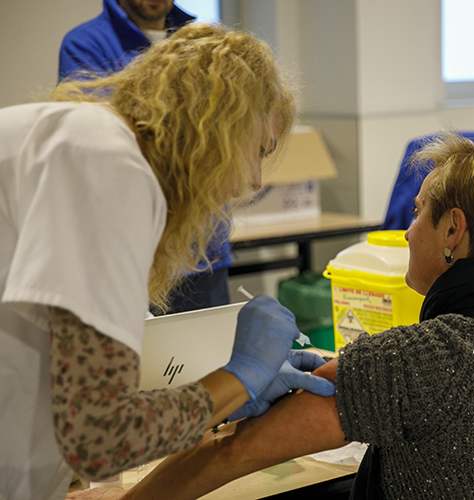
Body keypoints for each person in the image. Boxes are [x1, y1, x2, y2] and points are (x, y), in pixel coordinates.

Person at [68, 133, 474, 500]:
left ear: (453, 232)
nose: (407, 230)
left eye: (419, 211)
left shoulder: (417, 358)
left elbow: (234, 451)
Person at [0, 24, 334, 500]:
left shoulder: (94, 152)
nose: (254, 181)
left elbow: (97, 390)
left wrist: (226, 396)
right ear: (218, 124)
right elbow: (100, 438)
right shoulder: (108, 169)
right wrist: (238, 377)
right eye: (257, 150)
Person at [59, 0, 232, 312]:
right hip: (136, 248)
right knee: (147, 357)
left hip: (204, 247)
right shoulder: (86, 44)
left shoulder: (201, 40)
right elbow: (106, 137)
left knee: (214, 354)